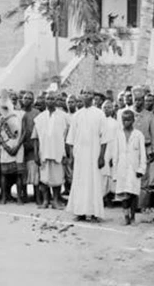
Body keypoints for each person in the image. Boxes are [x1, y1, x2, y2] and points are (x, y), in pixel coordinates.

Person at [66, 90, 108, 222]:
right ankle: (80, 212)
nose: (86, 96)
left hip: (94, 153)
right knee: (80, 181)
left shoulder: (99, 114)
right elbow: (71, 139)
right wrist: (72, 157)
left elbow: (104, 138)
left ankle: (95, 213)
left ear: (93, 96)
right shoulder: (77, 115)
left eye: (89, 93)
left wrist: (101, 157)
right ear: (81, 96)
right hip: (80, 155)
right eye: (84, 93)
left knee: (94, 182)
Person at [33, 91, 71, 209]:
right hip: (43, 152)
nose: (50, 101)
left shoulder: (64, 116)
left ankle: (55, 201)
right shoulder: (39, 118)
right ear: (45, 101)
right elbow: (35, 137)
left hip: (58, 152)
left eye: (53, 99)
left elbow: (69, 137)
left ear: (57, 101)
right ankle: (45, 201)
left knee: (57, 178)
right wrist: (35, 154)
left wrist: (68, 153)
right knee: (44, 179)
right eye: (48, 99)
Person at [123, 87, 154, 209]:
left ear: (143, 100)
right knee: (129, 176)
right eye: (135, 99)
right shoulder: (126, 113)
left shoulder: (149, 116)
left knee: (143, 177)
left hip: (145, 148)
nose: (138, 102)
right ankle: (129, 204)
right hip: (129, 149)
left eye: (140, 99)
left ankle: (141, 205)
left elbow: (153, 134)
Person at [113, 110, 147, 225]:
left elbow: (142, 154)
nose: (125, 122)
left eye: (128, 120)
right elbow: (115, 154)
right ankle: (126, 216)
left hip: (134, 168)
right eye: (123, 120)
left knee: (133, 193)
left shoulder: (138, 135)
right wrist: (115, 172)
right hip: (122, 167)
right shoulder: (118, 134)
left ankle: (133, 216)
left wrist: (141, 169)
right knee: (123, 194)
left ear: (133, 120)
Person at [18, 91, 41, 205]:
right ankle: (24, 195)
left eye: (29, 98)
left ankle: (37, 197)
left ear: (33, 101)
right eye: (25, 98)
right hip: (20, 146)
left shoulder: (37, 113)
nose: (26, 100)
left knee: (34, 171)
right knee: (22, 172)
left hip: (33, 146)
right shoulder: (18, 113)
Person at [100, 100, 121, 206]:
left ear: (113, 109)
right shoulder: (99, 121)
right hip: (101, 151)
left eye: (109, 107)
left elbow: (117, 140)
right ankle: (101, 198)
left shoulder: (116, 123)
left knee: (111, 174)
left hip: (112, 150)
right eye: (105, 107)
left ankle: (110, 198)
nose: (107, 109)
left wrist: (115, 155)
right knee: (102, 175)